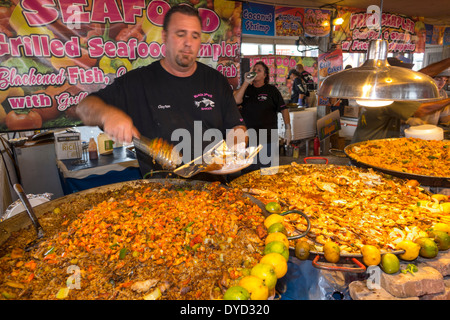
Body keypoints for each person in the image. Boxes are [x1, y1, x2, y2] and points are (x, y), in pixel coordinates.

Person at [76, 5, 247, 179]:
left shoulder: (215, 81)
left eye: (195, 36)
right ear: (165, 36)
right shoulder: (138, 81)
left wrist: (233, 151)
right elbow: (85, 107)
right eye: (180, 34)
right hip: (160, 196)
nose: (188, 42)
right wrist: (108, 115)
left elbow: (236, 126)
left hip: (215, 192)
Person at [351, 59, 450, 144]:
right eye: (402, 73)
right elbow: (423, 109)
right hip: (368, 147)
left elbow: (421, 74)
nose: (404, 76)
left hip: (372, 143)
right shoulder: (386, 95)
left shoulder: (382, 88)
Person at [233, 61, 291, 172]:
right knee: (249, 172)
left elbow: (284, 109)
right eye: (254, 70)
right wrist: (246, 82)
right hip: (249, 138)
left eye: (259, 70)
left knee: (268, 172)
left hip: (269, 138)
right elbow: (236, 100)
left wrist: (288, 129)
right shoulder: (246, 89)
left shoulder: (272, 90)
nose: (255, 72)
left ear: (265, 75)